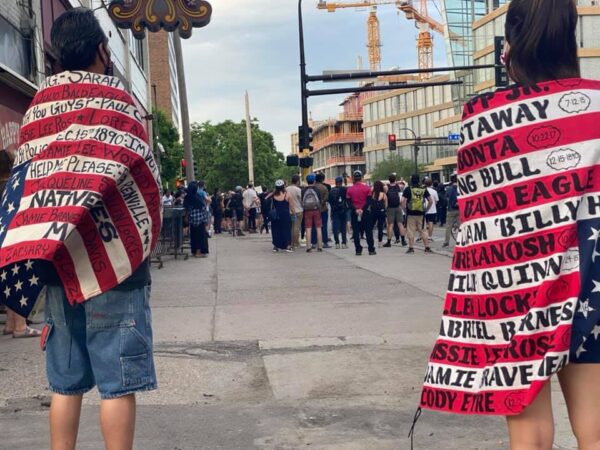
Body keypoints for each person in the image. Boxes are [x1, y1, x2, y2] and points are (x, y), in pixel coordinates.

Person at [419, 2, 600, 449]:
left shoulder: (482, 118)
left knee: (531, 438)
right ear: (571, 38)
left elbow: (477, 222)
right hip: (592, 285)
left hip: (513, 289)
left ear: (511, 44)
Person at [1, 9, 161, 450]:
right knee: (117, 383)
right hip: (117, 264)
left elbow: (25, 186)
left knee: (65, 384)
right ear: (102, 51)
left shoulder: (38, 109)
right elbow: (146, 180)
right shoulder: (119, 106)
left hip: (56, 262)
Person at [346, 170, 375, 256]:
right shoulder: (367, 188)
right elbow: (369, 201)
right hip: (365, 212)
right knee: (368, 231)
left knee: (356, 232)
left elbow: (348, 202)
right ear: (361, 178)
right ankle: (371, 249)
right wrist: (362, 209)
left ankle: (358, 249)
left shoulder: (350, 190)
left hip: (355, 213)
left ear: (353, 178)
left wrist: (356, 209)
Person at [402, 174, 432, 254]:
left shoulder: (408, 189)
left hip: (410, 213)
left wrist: (404, 210)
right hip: (421, 213)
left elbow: (402, 201)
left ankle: (411, 248)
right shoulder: (423, 189)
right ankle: (427, 247)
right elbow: (430, 201)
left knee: (411, 230)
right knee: (423, 230)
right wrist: (426, 209)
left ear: (411, 180)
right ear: (419, 180)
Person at [185, 181, 209, 257]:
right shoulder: (197, 196)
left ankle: (195, 250)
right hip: (200, 218)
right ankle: (199, 252)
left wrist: (186, 217)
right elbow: (203, 207)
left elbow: (186, 207)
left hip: (192, 219)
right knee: (201, 235)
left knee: (194, 235)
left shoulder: (188, 196)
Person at [269, 180, 293, 252]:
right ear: (283, 186)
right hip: (285, 215)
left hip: (275, 216)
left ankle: (276, 246)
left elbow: (266, 199)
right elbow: (292, 206)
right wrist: (294, 214)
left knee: (276, 230)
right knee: (287, 230)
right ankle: (288, 246)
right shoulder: (287, 194)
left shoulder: (273, 194)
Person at [383, 174, 407, 247]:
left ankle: (389, 242)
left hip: (390, 208)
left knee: (391, 225)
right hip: (398, 207)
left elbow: (385, 196)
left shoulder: (386, 187)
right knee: (400, 224)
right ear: (395, 179)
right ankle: (403, 240)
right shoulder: (398, 186)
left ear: (389, 180)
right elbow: (401, 195)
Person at [302, 173, 323, 253]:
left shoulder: (303, 190)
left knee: (308, 228)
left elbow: (302, 201)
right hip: (316, 210)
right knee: (318, 228)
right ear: (314, 181)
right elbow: (320, 201)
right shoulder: (317, 190)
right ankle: (320, 246)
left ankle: (308, 247)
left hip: (307, 211)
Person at [328, 176, 348, 249]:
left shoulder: (331, 190)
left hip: (334, 211)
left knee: (335, 227)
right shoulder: (345, 190)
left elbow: (329, 201)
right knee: (343, 227)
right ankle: (344, 243)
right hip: (343, 210)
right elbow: (347, 199)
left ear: (335, 182)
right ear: (341, 182)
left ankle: (337, 243)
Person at [442, 174, 459, 248]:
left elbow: (446, 198)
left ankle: (446, 242)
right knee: (460, 226)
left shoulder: (448, 188)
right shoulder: (460, 187)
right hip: (459, 209)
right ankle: (460, 241)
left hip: (450, 209)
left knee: (448, 226)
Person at [314, 173, 331, 248]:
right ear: (322, 179)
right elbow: (326, 198)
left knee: (314, 226)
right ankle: (325, 242)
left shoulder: (312, 187)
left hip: (313, 209)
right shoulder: (324, 188)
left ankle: (314, 242)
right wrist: (321, 203)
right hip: (323, 209)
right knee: (323, 226)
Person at [287, 175, 304, 250]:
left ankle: (290, 242)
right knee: (296, 227)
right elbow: (301, 200)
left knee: (291, 227)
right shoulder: (298, 190)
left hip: (289, 210)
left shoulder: (286, 189)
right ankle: (296, 243)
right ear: (297, 181)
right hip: (298, 210)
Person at [370, 180, 387, 248]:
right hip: (381, 212)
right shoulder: (383, 194)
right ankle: (380, 242)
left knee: (371, 226)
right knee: (380, 227)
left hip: (373, 212)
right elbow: (386, 204)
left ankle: (371, 240)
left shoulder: (372, 194)